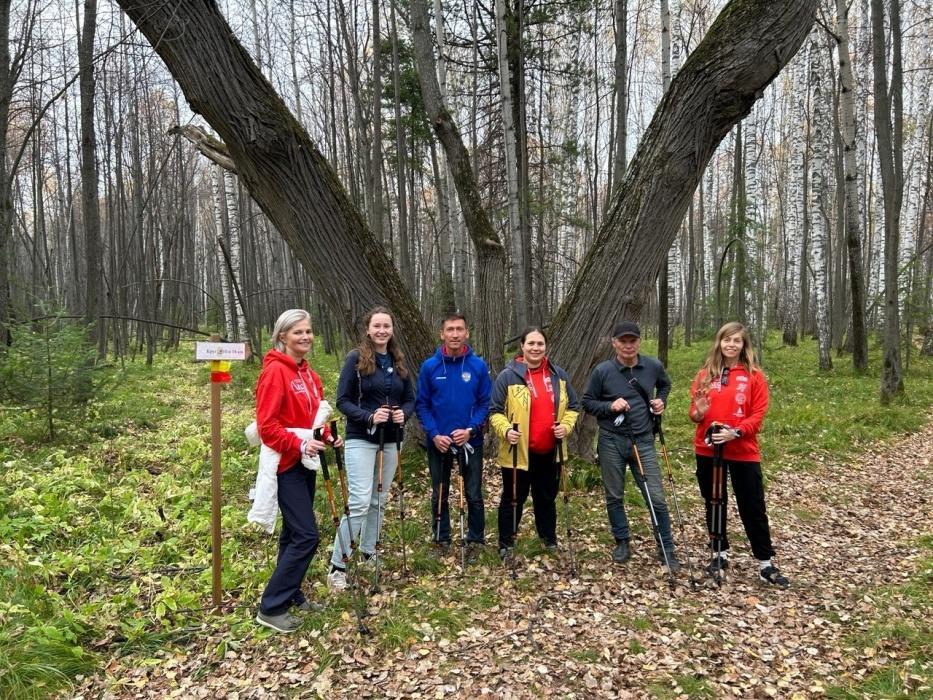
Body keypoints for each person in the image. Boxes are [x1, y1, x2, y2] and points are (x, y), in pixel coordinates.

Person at [254, 309, 342, 633]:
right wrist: (300, 445)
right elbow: (267, 427)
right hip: (286, 464)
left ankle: (290, 594)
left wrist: (329, 437)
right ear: (282, 337)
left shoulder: (309, 374)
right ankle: (271, 606)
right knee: (307, 536)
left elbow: (313, 421)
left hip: (306, 463)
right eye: (297, 333)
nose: (305, 337)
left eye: (308, 331)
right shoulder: (275, 373)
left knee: (293, 534)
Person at [688, 321, 788, 587]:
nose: (731, 345)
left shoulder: (755, 376)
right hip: (708, 449)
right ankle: (719, 553)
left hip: (742, 450)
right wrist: (698, 411)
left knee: (752, 505)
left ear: (744, 345)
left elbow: (757, 415)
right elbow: (695, 415)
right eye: (726, 340)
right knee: (713, 501)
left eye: (737, 341)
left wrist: (736, 432)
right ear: (719, 342)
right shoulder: (704, 375)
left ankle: (765, 562)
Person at [327, 306, 416, 591]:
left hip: (391, 439)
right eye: (377, 326)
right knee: (359, 501)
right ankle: (337, 565)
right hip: (361, 438)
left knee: (379, 498)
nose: (382, 331)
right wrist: (368, 416)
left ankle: (368, 551)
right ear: (368, 329)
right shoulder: (356, 359)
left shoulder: (399, 361)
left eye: (386, 326)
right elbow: (342, 400)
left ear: (392, 329)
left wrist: (404, 413)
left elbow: (410, 399)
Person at [581, 321, 681, 571]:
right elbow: (587, 402)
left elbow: (665, 385)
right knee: (614, 495)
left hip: (644, 440)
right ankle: (622, 540)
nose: (628, 345)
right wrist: (609, 406)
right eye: (623, 341)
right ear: (614, 343)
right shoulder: (602, 371)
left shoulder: (652, 366)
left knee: (656, 497)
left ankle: (666, 547)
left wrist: (661, 401)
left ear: (639, 342)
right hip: (611, 440)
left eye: (632, 340)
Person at [489, 327, 579, 559]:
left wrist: (566, 427)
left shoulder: (558, 375)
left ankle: (548, 539)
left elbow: (573, 407)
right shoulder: (508, 376)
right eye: (531, 343)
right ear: (522, 346)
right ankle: (506, 543)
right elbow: (495, 411)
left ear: (545, 346)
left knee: (546, 498)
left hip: (550, 450)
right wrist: (506, 429)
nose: (535, 348)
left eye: (540, 344)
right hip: (517, 451)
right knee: (513, 498)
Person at [416, 313, 492, 556]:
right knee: (440, 491)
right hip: (439, 442)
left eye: (460, 329)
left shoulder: (478, 366)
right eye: (450, 329)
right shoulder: (430, 366)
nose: (455, 334)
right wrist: (434, 434)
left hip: (471, 440)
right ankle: (441, 539)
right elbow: (423, 404)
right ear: (442, 334)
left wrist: (471, 429)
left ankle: (476, 541)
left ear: (467, 332)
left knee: (473, 492)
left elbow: (484, 403)